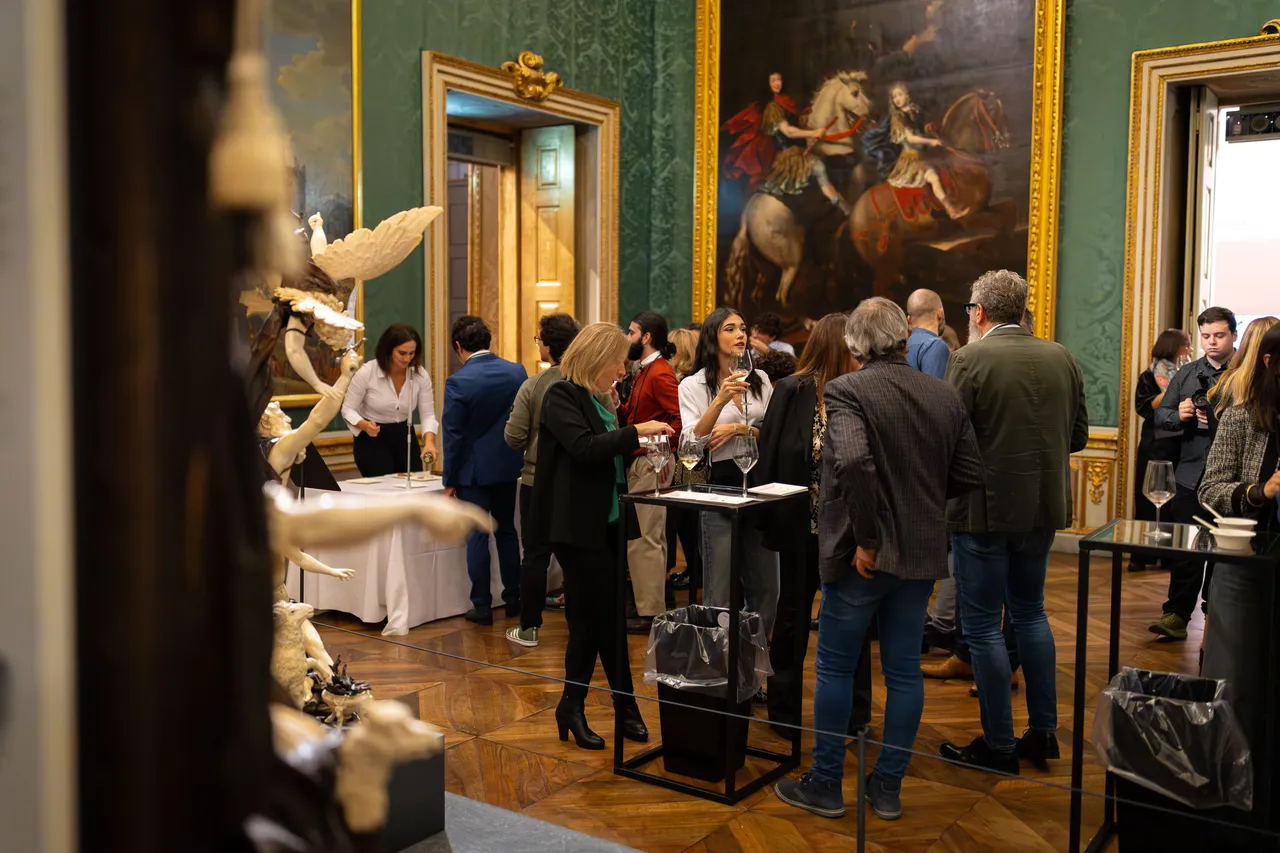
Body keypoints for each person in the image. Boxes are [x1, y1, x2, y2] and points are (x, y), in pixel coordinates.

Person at [775, 298, 983, 821]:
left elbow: (852, 461)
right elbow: (969, 474)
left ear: (854, 345)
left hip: (860, 558)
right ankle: (887, 786)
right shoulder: (942, 393)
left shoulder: (847, 390)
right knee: (904, 672)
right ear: (905, 339)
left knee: (835, 666)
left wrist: (868, 538)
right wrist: (921, 502)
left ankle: (826, 783)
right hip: (920, 553)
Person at [938, 269, 1088, 775]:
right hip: (1041, 508)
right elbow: (1078, 436)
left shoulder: (968, 359)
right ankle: (1043, 733)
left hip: (983, 512)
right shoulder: (1061, 356)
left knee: (983, 626)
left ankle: (999, 746)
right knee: (1031, 614)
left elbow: (948, 437)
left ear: (979, 312)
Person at [530, 323, 674, 750]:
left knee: (602, 619)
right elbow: (584, 447)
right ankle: (585, 705)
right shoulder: (561, 394)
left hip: (606, 521)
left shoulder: (599, 398)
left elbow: (607, 452)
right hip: (576, 527)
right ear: (596, 359)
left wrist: (638, 439)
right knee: (592, 621)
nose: (621, 371)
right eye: (617, 363)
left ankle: (607, 705)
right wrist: (638, 431)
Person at [755, 313, 872, 740]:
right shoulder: (792, 390)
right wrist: (766, 517)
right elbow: (770, 454)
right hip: (799, 527)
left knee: (853, 623)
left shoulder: (860, 391)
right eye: (853, 344)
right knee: (792, 618)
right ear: (836, 345)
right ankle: (783, 711)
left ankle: (855, 714)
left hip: (848, 533)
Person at [1198, 323, 1280, 754]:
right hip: (1244, 568)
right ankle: (1228, 769)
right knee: (1234, 685)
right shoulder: (1241, 417)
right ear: (1271, 363)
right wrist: (1260, 491)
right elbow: (1209, 490)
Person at [678, 307, 780, 649]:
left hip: (759, 486)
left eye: (743, 328)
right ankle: (719, 664)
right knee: (719, 590)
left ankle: (752, 661)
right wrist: (720, 400)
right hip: (718, 487)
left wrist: (741, 429)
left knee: (767, 589)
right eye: (730, 328)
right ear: (713, 336)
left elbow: (774, 431)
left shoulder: (759, 379)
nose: (740, 335)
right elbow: (692, 442)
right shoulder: (692, 385)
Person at [1148, 306, 1238, 640]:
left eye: (1219, 335)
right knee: (1187, 551)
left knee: (1224, 553)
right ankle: (1175, 616)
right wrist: (1180, 414)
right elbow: (1160, 416)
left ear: (1233, 335)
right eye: (1205, 336)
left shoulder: (1245, 372)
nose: (1212, 342)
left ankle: (1217, 617)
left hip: (1232, 478)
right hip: (1189, 475)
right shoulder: (1186, 375)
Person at [442, 316, 527, 626]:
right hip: (508, 465)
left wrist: (449, 479)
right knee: (507, 531)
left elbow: (453, 436)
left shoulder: (458, 381)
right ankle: (514, 597)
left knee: (477, 534)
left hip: (473, 473)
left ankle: (481, 605)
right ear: (488, 341)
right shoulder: (516, 372)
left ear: (458, 346)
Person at [502, 313, 581, 647]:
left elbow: (513, 436)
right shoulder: (590, 381)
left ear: (548, 346)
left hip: (537, 482)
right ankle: (579, 623)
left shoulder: (533, 385)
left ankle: (529, 627)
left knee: (535, 555)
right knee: (576, 556)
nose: (538, 346)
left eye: (539, 340)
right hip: (579, 483)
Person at [620, 312, 683, 634]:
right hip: (644, 459)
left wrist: (651, 442)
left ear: (646, 337)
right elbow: (637, 416)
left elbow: (679, 421)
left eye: (631, 332)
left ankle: (650, 611)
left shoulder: (659, 373)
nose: (626, 337)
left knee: (646, 538)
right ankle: (646, 603)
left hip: (651, 461)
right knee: (643, 537)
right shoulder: (645, 370)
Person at [342, 324, 439, 477]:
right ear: (388, 349)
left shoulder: (420, 375)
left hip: (405, 436)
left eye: (412, 353)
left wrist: (429, 442)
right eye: (402, 353)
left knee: (414, 485)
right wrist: (364, 425)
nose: (407, 358)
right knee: (383, 489)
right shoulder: (367, 372)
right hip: (372, 438)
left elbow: (428, 415)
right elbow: (347, 409)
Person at [1131, 328, 1191, 569]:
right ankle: (1141, 557)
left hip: (1179, 444)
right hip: (1154, 444)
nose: (1189, 349)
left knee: (1173, 502)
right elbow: (1143, 407)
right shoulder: (1149, 375)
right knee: (1148, 499)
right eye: (1186, 344)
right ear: (1174, 346)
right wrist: (1171, 389)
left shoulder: (1188, 374)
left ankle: (1168, 556)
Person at [666, 327, 703, 594]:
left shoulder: (686, 384)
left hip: (689, 456)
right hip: (692, 456)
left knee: (688, 520)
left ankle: (696, 571)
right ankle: (694, 569)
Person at [904, 289, 949, 379]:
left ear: (908, 319)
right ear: (940, 314)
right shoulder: (936, 346)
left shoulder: (901, 346)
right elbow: (936, 387)